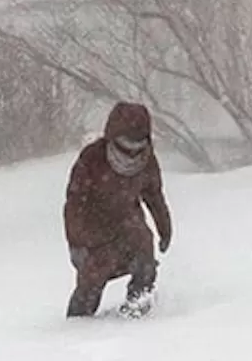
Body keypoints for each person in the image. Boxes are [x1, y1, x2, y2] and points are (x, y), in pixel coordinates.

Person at [63, 101, 173, 318]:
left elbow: (154, 195)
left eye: (138, 146)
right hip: (93, 231)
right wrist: (76, 243)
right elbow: (74, 203)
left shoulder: (147, 160)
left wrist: (164, 228)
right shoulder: (92, 158)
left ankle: (138, 307)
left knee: (145, 260)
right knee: (91, 281)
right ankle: (77, 325)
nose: (132, 153)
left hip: (129, 225)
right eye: (125, 145)